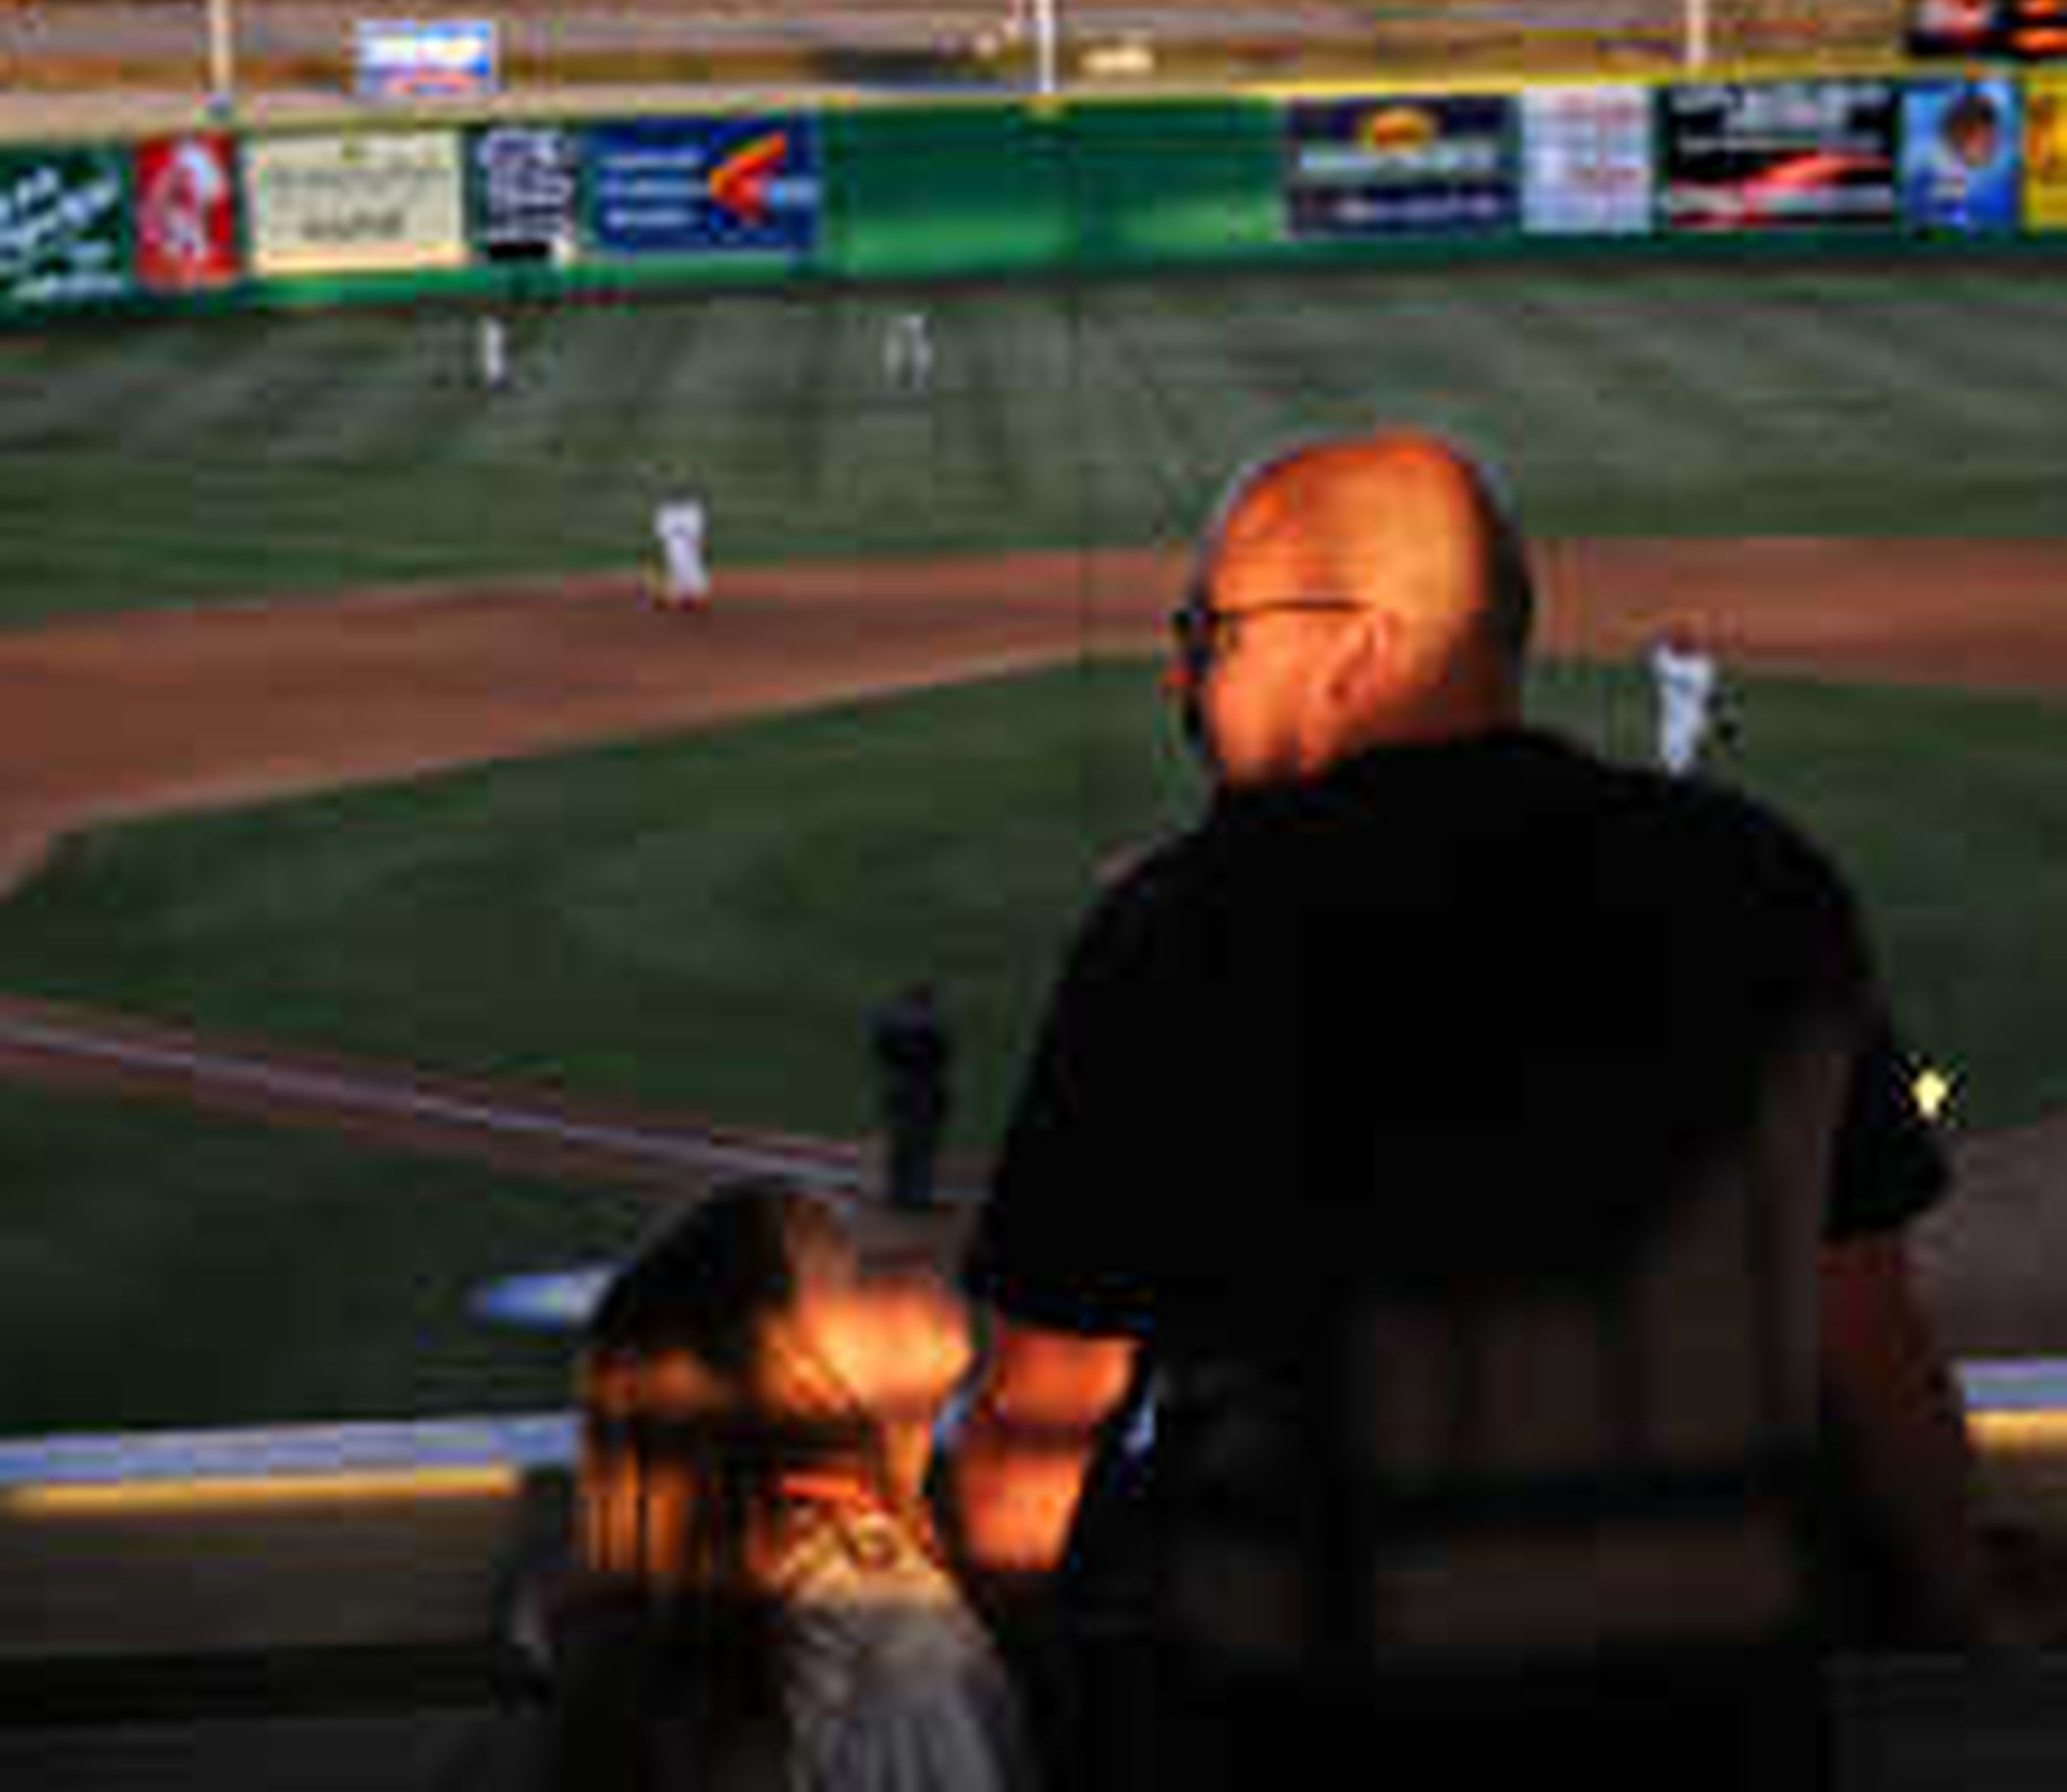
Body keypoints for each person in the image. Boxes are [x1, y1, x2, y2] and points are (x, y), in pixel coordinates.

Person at [947, 432, 1985, 1790]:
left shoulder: (1182, 930)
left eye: (1208, 631)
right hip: (1710, 1728)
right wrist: (1968, 1619)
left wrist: (1008, 1668)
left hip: (1300, 1729)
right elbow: (1871, 1342)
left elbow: (1040, 1420)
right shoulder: (1762, 883)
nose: (1181, 675)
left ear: (1360, 646)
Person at [543, 1182, 1036, 1791]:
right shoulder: (883, 1642)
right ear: (772, 1386)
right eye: (858, 1273)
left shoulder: (749, 1609)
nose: (912, 1266)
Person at [871, 982, 955, 1212]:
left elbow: (880, 1050)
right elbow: (943, 1055)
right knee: (922, 1146)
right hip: (925, 1087)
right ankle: (918, 1198)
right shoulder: (935, 1025)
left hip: (897, 1084)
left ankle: (895, 1195)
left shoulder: (888, 1021)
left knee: (899, 1142)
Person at [1650, 622, 1729, 776]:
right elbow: (1712, 697)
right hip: (1678, 726)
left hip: (1689, 725)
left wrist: (1720, 720)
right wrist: (1721, 721)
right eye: (1678, 642)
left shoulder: (1665, 662)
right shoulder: (1702, 666)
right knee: (1680, 766)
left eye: (1683, 642)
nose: (1680, 646)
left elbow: (1712, 697)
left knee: (1679, 768)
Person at [653, 496, 710, 609]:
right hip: (674, 540)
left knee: (693, 567)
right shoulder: (666, 511)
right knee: (676, 566)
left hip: (689, 539)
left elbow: (698, 528)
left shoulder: (693, 510)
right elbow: (662, 532)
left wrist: (700, 539)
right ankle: (680, 597)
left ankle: (697, 596)